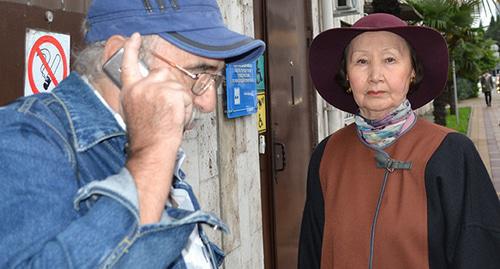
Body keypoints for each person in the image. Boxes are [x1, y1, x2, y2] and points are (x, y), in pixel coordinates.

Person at [0, 0, 264, 268]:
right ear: (122, 58)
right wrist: (150, 160)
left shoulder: (140, 142)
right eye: (197, 74)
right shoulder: (25, 139)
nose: (208, 103)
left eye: (215, 79)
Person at [299, 13, 500, 269]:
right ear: (347, 76)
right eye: (361, 61)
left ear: (412, 72)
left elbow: (481, 251)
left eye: (390, 59)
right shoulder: (327, 155)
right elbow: (310, 253)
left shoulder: (451, 153)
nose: (375, 75)